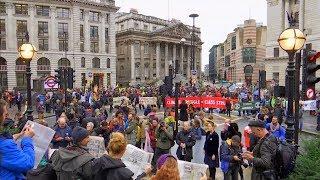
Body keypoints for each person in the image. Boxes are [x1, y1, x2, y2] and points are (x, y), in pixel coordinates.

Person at [0, 99, 35, 179]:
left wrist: (21, 134)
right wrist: (27, 139)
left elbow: (4, 139)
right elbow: (27, 163)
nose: (7, 116)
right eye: (5, 114)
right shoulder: (4, 146)